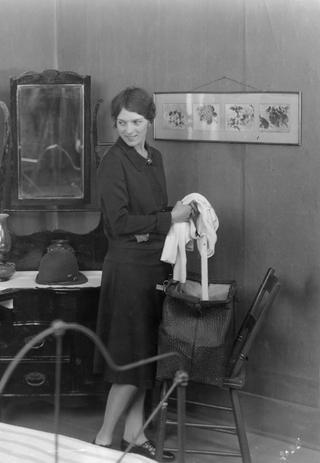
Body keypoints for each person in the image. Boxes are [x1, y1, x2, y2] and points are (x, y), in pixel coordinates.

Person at [92, 87, 191, 461]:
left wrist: (171, 220)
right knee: (131, 359)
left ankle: (134, 434)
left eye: (136, 122)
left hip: (154, 265)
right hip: (128, 269)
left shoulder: (156, 157)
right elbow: (118, 223)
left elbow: (149, 213)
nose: (129, 130)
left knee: (146, 355)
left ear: (150, 121)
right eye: (122, 123)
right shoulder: (112, 162)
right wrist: (165, 221)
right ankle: (103, 439)